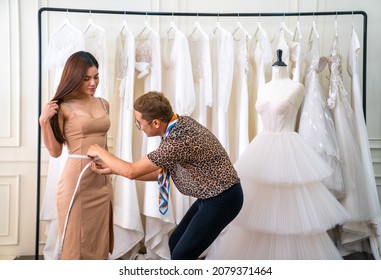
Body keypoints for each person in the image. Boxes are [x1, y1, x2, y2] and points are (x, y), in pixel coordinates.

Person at [206, 50, 351, 259]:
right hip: (262, 148)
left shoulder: (297, 87)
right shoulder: (264, 87)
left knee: (289, 204)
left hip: (288, 149)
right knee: (256, 209)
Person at [86, 91, 243, 260]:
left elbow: (132, 171)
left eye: (139, 123)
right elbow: (161, 172)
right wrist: (113, 169)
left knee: (182, 255)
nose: (139, 127)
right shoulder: (179, 123)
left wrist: (99, 150)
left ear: (155, 123)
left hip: (223, 199)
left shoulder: (176, 141)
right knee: (174, 244)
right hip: (210, 196)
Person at [39, 51, 113, 260]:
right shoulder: (62, 107)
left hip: (101, 178)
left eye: (96, 77)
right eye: (86, 78)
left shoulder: (103, 103)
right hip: (76, 182)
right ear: (74, 78)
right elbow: (55, 152)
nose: (93, 83)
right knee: (75, 240)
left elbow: (104, 143)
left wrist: (111, 173)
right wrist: (44, 122)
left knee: (99, 238)